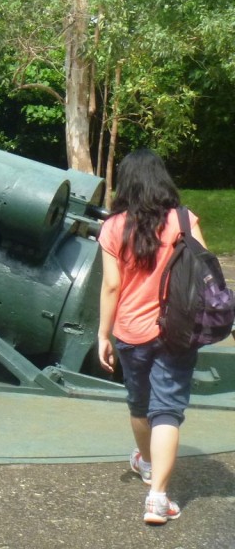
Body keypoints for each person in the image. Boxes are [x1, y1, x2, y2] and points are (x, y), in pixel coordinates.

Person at [97, 149, 203, 525]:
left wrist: (102, 334)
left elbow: (112, 285)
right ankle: (158, 498)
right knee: (168, 411)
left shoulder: (113, 227)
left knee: (140, 406)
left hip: (130, 330)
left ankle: (145, 464)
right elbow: (203, 272)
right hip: (177, 330)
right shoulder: (183, 219)